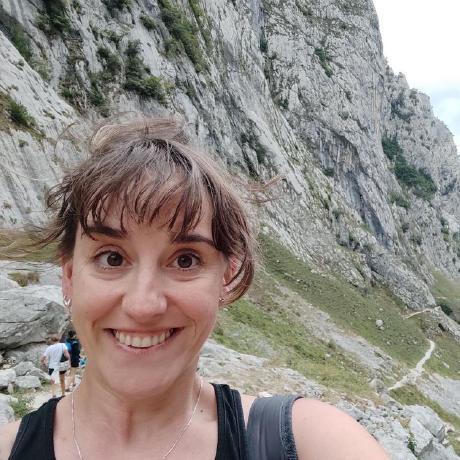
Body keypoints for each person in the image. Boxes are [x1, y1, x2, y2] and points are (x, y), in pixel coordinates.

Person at [0, 119, 390, 459]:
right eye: (112, 259)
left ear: (226, 277)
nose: (144, 304)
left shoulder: (304, 442)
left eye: (185, 260)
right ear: (69, 277)